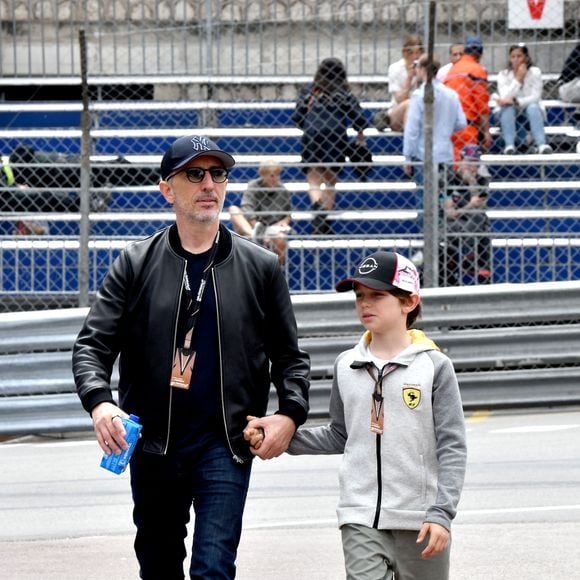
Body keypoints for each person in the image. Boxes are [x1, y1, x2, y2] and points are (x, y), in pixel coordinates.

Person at [72, 134, 310, 579]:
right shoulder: (135, 262)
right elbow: (92, 345)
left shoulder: (261, 267)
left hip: (226, 441)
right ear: (168, 188)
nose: (209, 184)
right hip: (154, 444)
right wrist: (100, 401)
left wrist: (290, 414)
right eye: (194, 174)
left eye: (218, 174)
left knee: (213, 568)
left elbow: (290, 357)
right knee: (159, 567)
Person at [245, 251, 467, 580]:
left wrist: (441, 513)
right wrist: (282, 437)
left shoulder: (435, 367)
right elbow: (340, 434)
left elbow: (453, 446)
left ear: (409, 302)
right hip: (359, 515)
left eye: (377, 295)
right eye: (360, 295)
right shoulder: (346, 365)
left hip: (420, 520)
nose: (365, 304)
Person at [292, 57, 369, 235]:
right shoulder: (344, 92)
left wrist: (308, 123)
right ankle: (323, 219)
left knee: (313, 177)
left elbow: (297, 117)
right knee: (330, 179)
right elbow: (360, 118)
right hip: (336, 135)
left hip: (313, 134)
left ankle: (318, 209)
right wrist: (359, 133)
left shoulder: (311, 91)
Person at [403, 54, 467, 180]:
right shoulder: (451, 95)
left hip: (423, 153)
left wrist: (408, 156)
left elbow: (412, 129)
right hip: (445, 152)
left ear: (422, 69)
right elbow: (461, 122)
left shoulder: (418, 95)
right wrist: (445, 128)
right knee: (443, 195)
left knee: (424, 195)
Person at [442, 144, 492, 286]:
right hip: (453, 224)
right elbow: (450, 212)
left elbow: (480, 206)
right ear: (461, 160)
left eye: (475, 163)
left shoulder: (482, 179)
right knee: (480, 225)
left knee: (479, 218)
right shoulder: (450, 177)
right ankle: (472, 260)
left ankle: (470, 259)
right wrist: (469, 205)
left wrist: (471, 182)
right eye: (468, 162)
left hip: (473, 222)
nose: (471, 166)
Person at [228, 159, 292, 265]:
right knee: (233, 209)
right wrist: (256, 226)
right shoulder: (253, 186)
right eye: (272, 175)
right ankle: (255, 237)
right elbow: (246, 207)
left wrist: (284, 222)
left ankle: (278, 271)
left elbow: (288, 213)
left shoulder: (282, 189)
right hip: (253, 227)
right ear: (263, 175)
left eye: (277, 175)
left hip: (272, 228)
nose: (275, 178)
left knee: (280, 240)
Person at [493, 43, 552, 155]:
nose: (516, 59)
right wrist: (518, 79)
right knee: (508, 109)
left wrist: (517, 101)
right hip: (509, 108)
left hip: (530, 108)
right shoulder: (503, 75)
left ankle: (541, 144)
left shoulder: (535, 72)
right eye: (513, 56)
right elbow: (505, 97)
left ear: (526, 58)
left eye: (519, 56)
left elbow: (536, 96)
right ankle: (509, 145)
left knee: (533, 107)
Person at [445, 36, 492, 160]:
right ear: (480, 54)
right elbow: (481, 104)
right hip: (467, 127)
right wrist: (486, 131)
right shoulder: (477, 70)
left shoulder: (452, 70)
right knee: (470, 165)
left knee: (453, 166)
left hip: (447, 126)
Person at [374, 34, 424, 133]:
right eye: (411, 53)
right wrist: (409, 78)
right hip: (399, 112)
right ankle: (411, 141)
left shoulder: (424, 69)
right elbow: (400, 99)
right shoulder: (395, 68)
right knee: (410, 104)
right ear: (405, 52)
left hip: (421, 111)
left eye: (418, 53)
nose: (415, 56)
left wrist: (421, 77)